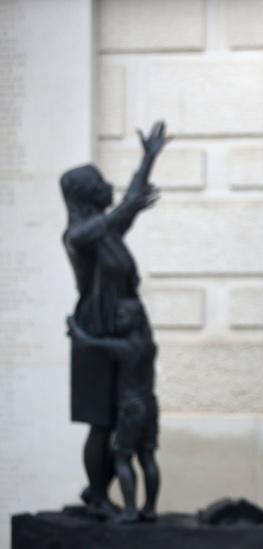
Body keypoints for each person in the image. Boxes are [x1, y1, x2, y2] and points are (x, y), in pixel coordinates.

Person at [60, 121, 167, 517]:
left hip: (123, 331)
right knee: (100, 422)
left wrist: (148, 158)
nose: (110, 186)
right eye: (101, 182)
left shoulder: (108, 232)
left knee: (121, 419)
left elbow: (132, 200)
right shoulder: (79, 234)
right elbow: (124, 207)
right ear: (85, 193)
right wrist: (129, 204)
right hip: (94, 332)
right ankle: (100, 497)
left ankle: (99, 493)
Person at [67, 298, 160, 524]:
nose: (117, 320)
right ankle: (148, 509)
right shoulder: (148, 344)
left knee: (122, 458)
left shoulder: (126, 346)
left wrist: (73, 324)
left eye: (121, 316)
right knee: (147, 456)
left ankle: (130, 510)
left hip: (130, 408)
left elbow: (87, 342)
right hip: (149, 405)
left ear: (135, 318)